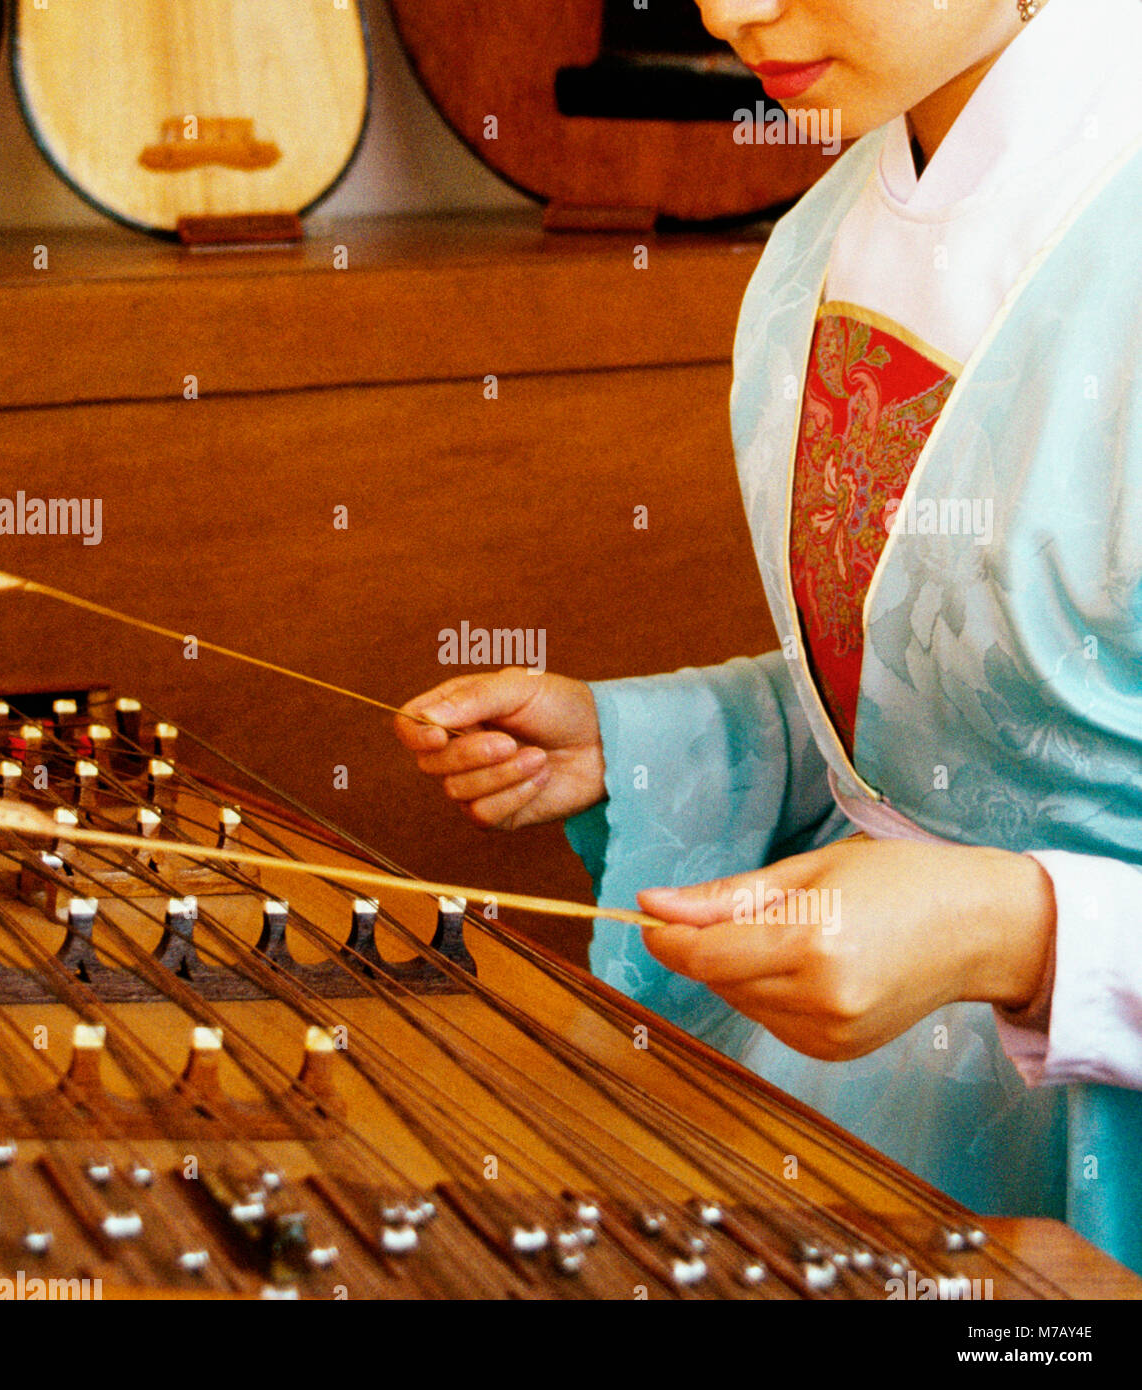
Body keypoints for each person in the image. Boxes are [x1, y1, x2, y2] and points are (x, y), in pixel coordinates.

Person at [395, 0, 1142, 1275]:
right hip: (881, 1105)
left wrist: (1016, 933)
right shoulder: (826, 230)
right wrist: (652, 737)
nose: (728, 10)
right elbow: (957, 718)